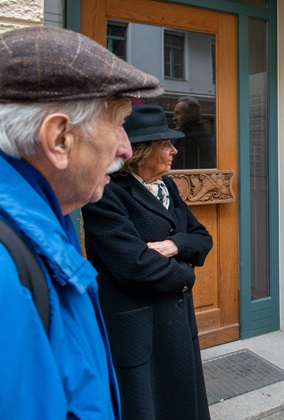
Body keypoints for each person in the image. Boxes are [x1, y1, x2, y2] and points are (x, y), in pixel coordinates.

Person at [0, 26, 162, 418]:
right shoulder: (7, 264)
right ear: (58, 140)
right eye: (119, 122)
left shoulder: (46, 222)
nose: (126, 148)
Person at [82, 104, 213, 420]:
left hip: (177, 327)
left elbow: (202, 238)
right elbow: (135, 266)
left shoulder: (166, 186)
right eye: (165, 145)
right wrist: (186, 272)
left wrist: (173, 244)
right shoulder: (107, 194)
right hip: (140, 332)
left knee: (183, 405)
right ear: (140, 152)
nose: (173, 151)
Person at [172, 96, 216, 168]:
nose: (174, 118)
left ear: (191, 116)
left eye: (178, 113)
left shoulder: (191, 140)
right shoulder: (202, 136)